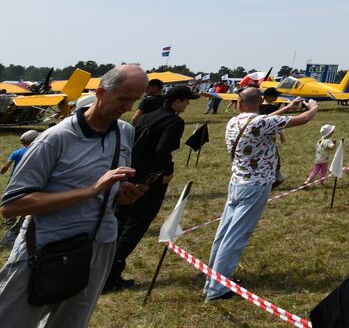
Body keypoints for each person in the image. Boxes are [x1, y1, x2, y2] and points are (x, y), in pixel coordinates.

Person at [0, 64, 149, 327]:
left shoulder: (125, 132)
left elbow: (108, 190)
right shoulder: (54, 139)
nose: (127, 107)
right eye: (123, 99)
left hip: (99, 246)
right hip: (45, 250)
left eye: (134, 100)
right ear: (101, 92)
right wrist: (90, 191)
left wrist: (122, 194)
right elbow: (11, 205)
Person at [204, 90, 318, 301]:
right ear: (260, 102)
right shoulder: (261, 123)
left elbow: (268, 120)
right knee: (236, 237)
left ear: (239, 103)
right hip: (255, 186)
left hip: (236, 183)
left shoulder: (233, 122)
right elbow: (303, 119)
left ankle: (212, 279)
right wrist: (313, 108)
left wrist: (289, 107)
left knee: (223, 233)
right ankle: (217, 288)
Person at [103, 84, 193, 293]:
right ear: (177, 101)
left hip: (130, 175)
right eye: (186, 101)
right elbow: (163, 149)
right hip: (149, 181)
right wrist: (167, 171)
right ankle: (110, 275)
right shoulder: (174, 122)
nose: (187, 105)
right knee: (135, 226)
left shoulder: (146, 117)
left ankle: (102, 267)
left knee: (119, 222)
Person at [0, 132, 40, 251]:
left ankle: (10, 220)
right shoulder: (37, 152)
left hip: (14, 182)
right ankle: (13, 234)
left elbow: (6, 166)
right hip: (29, 184)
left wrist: (2, 172)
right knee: (25, 209)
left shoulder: (17, 152)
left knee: (9, 203)